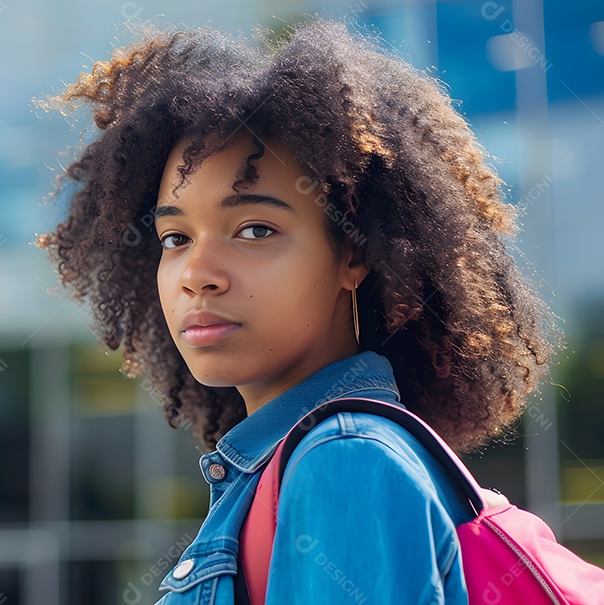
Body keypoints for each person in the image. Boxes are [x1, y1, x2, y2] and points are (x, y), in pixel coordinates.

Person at [35, 19, 560, 604]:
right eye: (175, 238)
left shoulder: (346, 464)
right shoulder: (284, 470)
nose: (196, 274)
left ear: (354, 252)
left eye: (255, 229)